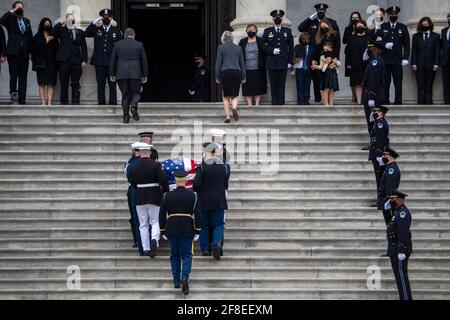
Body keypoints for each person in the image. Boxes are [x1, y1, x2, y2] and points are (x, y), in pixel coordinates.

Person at [159, 170, 201, 295]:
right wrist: (198, 229)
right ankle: (185, 278)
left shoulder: (167, 196)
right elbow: (198, 215)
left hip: (172, 227)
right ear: (186, 180)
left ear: (175, 181)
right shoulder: (193, 196)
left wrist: (162, 230)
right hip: (187, 227)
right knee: (187, 255)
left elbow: (161, 215)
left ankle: (177, 281)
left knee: (175, 255)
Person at [128, 143, 169, 258]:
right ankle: (154, 240)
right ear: (150, 153)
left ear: (140, 153)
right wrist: (165, 190)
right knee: (155, 221)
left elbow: (131, 181)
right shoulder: (156, 165)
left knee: (143, 224)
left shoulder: (134, 166)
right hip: (154, 195)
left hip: (139, 196)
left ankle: (146, 248)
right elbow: (163, 179)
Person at [193, 142, 231, 260]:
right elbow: (225, 184)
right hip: (219, 199)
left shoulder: (203, 167)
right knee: (218, 224)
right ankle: (215, 242)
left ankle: (205, 250)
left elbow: (196, 185)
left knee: (204, 226)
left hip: (204, 200)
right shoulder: (224, 167)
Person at [298, 3, 340, 103]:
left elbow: (337, 43)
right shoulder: (312, 22)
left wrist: (335, 57)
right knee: (316, 78)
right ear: (316, 12)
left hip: (329, 56)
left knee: (328, 78)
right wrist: (310, 18)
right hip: (315, 55)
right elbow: (300, 28)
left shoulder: (332, 23)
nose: (321, 13)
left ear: (325, 12)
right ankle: (318, 99)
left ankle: (327, 100)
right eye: (319, 11)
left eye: (323, 11)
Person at [85, 9, 123, 106]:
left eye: (108, 17)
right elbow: (86, 33)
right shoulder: (97, 29)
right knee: (100, 84)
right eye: (104, 17)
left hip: (111, 62)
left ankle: (113, 102)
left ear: (111, 18)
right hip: (99, 61)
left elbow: (120, 46)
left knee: (112, 84)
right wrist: (94, 22)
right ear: (101, 19)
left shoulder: (116, 31)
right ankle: (101, 102)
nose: (106, 18)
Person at [110, 28, 148, 124]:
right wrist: (145, 74)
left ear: (124, 35)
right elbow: (144, 61)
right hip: (135, 74)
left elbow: (113, 60)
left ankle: (126, 117)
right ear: (134, 35)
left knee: (125, 95)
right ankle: (134, 106)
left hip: (121, 74)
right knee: (136, 92)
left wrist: (112, 73)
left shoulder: (117, 45)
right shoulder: (139, 45)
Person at [0, 1, 33, 105]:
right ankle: (14, 98)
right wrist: (12, 11)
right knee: (13, 76)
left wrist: (31, 53)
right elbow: (1, 20)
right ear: (13, 8)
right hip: (13, 52)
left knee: (23, 77)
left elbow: (30, 37)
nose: (20, 9)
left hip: (24, 53)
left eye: (21, 8)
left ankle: (22, 100)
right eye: (18, 8)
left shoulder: (26, 21)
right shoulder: (10, 19)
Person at [376, 6, 410, 105]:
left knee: (398, 82)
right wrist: (384, 44)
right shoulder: (383, 26)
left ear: (397, 15)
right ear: (388, 15)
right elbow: (376, 41)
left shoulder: (402, 27)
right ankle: (385, 100)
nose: (393, 16)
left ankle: (398, 100)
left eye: (395, 14)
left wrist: (406, 58)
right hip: (385, 59)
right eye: (391, 14)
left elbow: (406, 44)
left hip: (397, 59)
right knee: (385, 82)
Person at [53, 13, 88, 105]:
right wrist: (62, 21)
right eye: (69, 18)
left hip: (76, 61)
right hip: (64, 60)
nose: (70, 20)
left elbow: (84, 47)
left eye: (72, 18)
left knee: (75, 82)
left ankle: (75, 101)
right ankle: (64, 101)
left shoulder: (80, 31)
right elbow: (53, 32)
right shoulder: (61, 30)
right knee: (64, 82)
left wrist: (84, 60)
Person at [262, 10, 294, 106]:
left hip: (283, 62)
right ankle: (274, 102)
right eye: (276, 17)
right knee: (273, 83)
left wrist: (290, 61)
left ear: (282, 19)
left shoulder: (287, 31)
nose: (277, 18)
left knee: (281, 83)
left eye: (279, 17)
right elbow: (263, 45)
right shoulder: (267, 31)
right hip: (272, 61)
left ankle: (281, 102)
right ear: (273, 19)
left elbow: (291, 47)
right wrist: (272, 50)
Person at [385, 190, 413, 300]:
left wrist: (401, 249)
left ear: (401, 200)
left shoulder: (403, 213)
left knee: (402, 277)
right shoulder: (397, 212)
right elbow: (390, 226)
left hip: (399, 249)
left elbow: (403, 232)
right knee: (398, 277)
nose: (393, 202)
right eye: (392, 200)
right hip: (394, 248)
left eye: (395, 200)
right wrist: (386, 209)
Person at [215, 30, 246, 123]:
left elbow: (218, 64)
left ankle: (228, 117)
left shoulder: (221, 47)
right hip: (237, 72)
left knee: (226, 96)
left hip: (225, 72)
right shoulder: (238, 48)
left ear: (223, 38)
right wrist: (244, 77)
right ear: (232, 38)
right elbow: (242, 64)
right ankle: (234, 108)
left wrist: (217, 76)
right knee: (235, 95)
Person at [411, 17, 440, 105]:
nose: (425, 26)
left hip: (431, 64)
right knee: (420, 83)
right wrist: (413, 63)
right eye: (423, 25)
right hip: (419, 64)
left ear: (430, 25)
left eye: (426, 25)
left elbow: (437, 51)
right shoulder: (416, 36)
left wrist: (436, 63)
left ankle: (428, 101)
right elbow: (414, 51)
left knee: (429, 83)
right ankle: (420, 101)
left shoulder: (436, 36)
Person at [238, 24, 268, 108]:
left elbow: (265, 52)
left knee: (258, 86)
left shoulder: (260, 40)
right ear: (246, 31)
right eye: (249, 30)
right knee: (247, 86)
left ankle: (257, 104)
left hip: (258, 67)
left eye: (252, 30)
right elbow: (239, 54)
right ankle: (249, 104)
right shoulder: (242, 41)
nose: (251, 31)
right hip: (246, 67)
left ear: (256, 31)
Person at [31, 18, 58, 106]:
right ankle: (43, 103)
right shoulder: (37, 36)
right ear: (42, 25)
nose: (47, 25)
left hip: (52, 64)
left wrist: (52, 37)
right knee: (42, 84)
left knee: (50, 84)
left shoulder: (54, 37)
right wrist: (47, 39)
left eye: (49, 24)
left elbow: (57, 49)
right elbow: (33, 51)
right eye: (46, 24)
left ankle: (49, 102)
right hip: (41, 64)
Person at [368, 105, 390, 206]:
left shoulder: (381, 123)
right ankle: (380, 199)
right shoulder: (378, 122)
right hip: (377, 152)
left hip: (378, 153)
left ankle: (381, 200)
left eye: (377, 111)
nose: (375, 113)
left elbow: (380, 140)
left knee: (379, 177)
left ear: (381, 113)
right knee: (379, 177)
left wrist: (379, 154)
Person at [345, 20, 371, 104]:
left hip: (367, 63)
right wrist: (348, 64)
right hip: (355, 63)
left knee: (366, 83)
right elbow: (347, 52)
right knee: (357, 83)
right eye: (358, 27)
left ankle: (365, 101)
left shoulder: (369, 37)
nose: (360, 28)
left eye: (361, 26)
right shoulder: (351, 38)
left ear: (365, 27)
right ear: (355, 28)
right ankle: (359, 102)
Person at [362, 41, 385, 133]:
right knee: (371, 120)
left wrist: (371, 96)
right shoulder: (373, 60)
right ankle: (374, 142)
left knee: (373, 120)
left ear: (375, 49)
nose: (368, 51)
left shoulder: (375, 61)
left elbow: (373, 79)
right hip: (375, 93)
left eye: (370, 49)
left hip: (373, 94)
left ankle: (376, 143)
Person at [124, 142, 143, 251]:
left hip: (133, 189)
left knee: (135, 217)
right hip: (137, 189)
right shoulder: (130, 162)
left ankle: (137, 240)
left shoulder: (129, 163)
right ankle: (139, 240)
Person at [343, 11, 362, 102]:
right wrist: (352, 34)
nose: (355, 19)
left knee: (360, 76)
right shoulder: (348, 29)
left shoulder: (361, 27)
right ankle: (354, 96)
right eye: (353, 17)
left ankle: (360, 96)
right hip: (350, 53)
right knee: (352, 76)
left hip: (360, 54)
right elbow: (344, 41)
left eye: (356, 17)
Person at [378, 148, 401, 225]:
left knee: (390, 221)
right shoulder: (389, 167)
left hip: (388, 198)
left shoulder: (392, 169)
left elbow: (390, 186)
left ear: (390, 157)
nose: (383, 157)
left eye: (385, 155)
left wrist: (388, 199)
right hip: (386, 198)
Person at [314, 41, 340, 106]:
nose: (326, 49)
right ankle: (326, 103)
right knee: (326, 89)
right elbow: (321, 66)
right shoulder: (322, 56)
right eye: (325, 47)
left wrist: (335, 62)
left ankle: (331, 103)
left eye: (328, 48)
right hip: (326, 74)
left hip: (333, 73)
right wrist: (316, 66)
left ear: (331, 49)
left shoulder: (335, 56)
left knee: (332, 89)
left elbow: (339, 64)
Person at [294, 33, 314, 105]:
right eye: (302, 40)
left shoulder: (312, 49)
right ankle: (300, 101)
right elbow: (294, 58)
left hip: (308, 69)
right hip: (299, 68)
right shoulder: (298, 47)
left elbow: (314, 58)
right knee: (300, 85)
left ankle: (306, 100)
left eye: (306, 40)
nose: (304, 41)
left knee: (307, 85)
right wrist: (296, 59)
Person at [441, 13, 450, 104]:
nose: (449, 20)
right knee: (446, 82)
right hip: (445, 61)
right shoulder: (444, 31)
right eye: (448, 18)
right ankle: (447, 101)